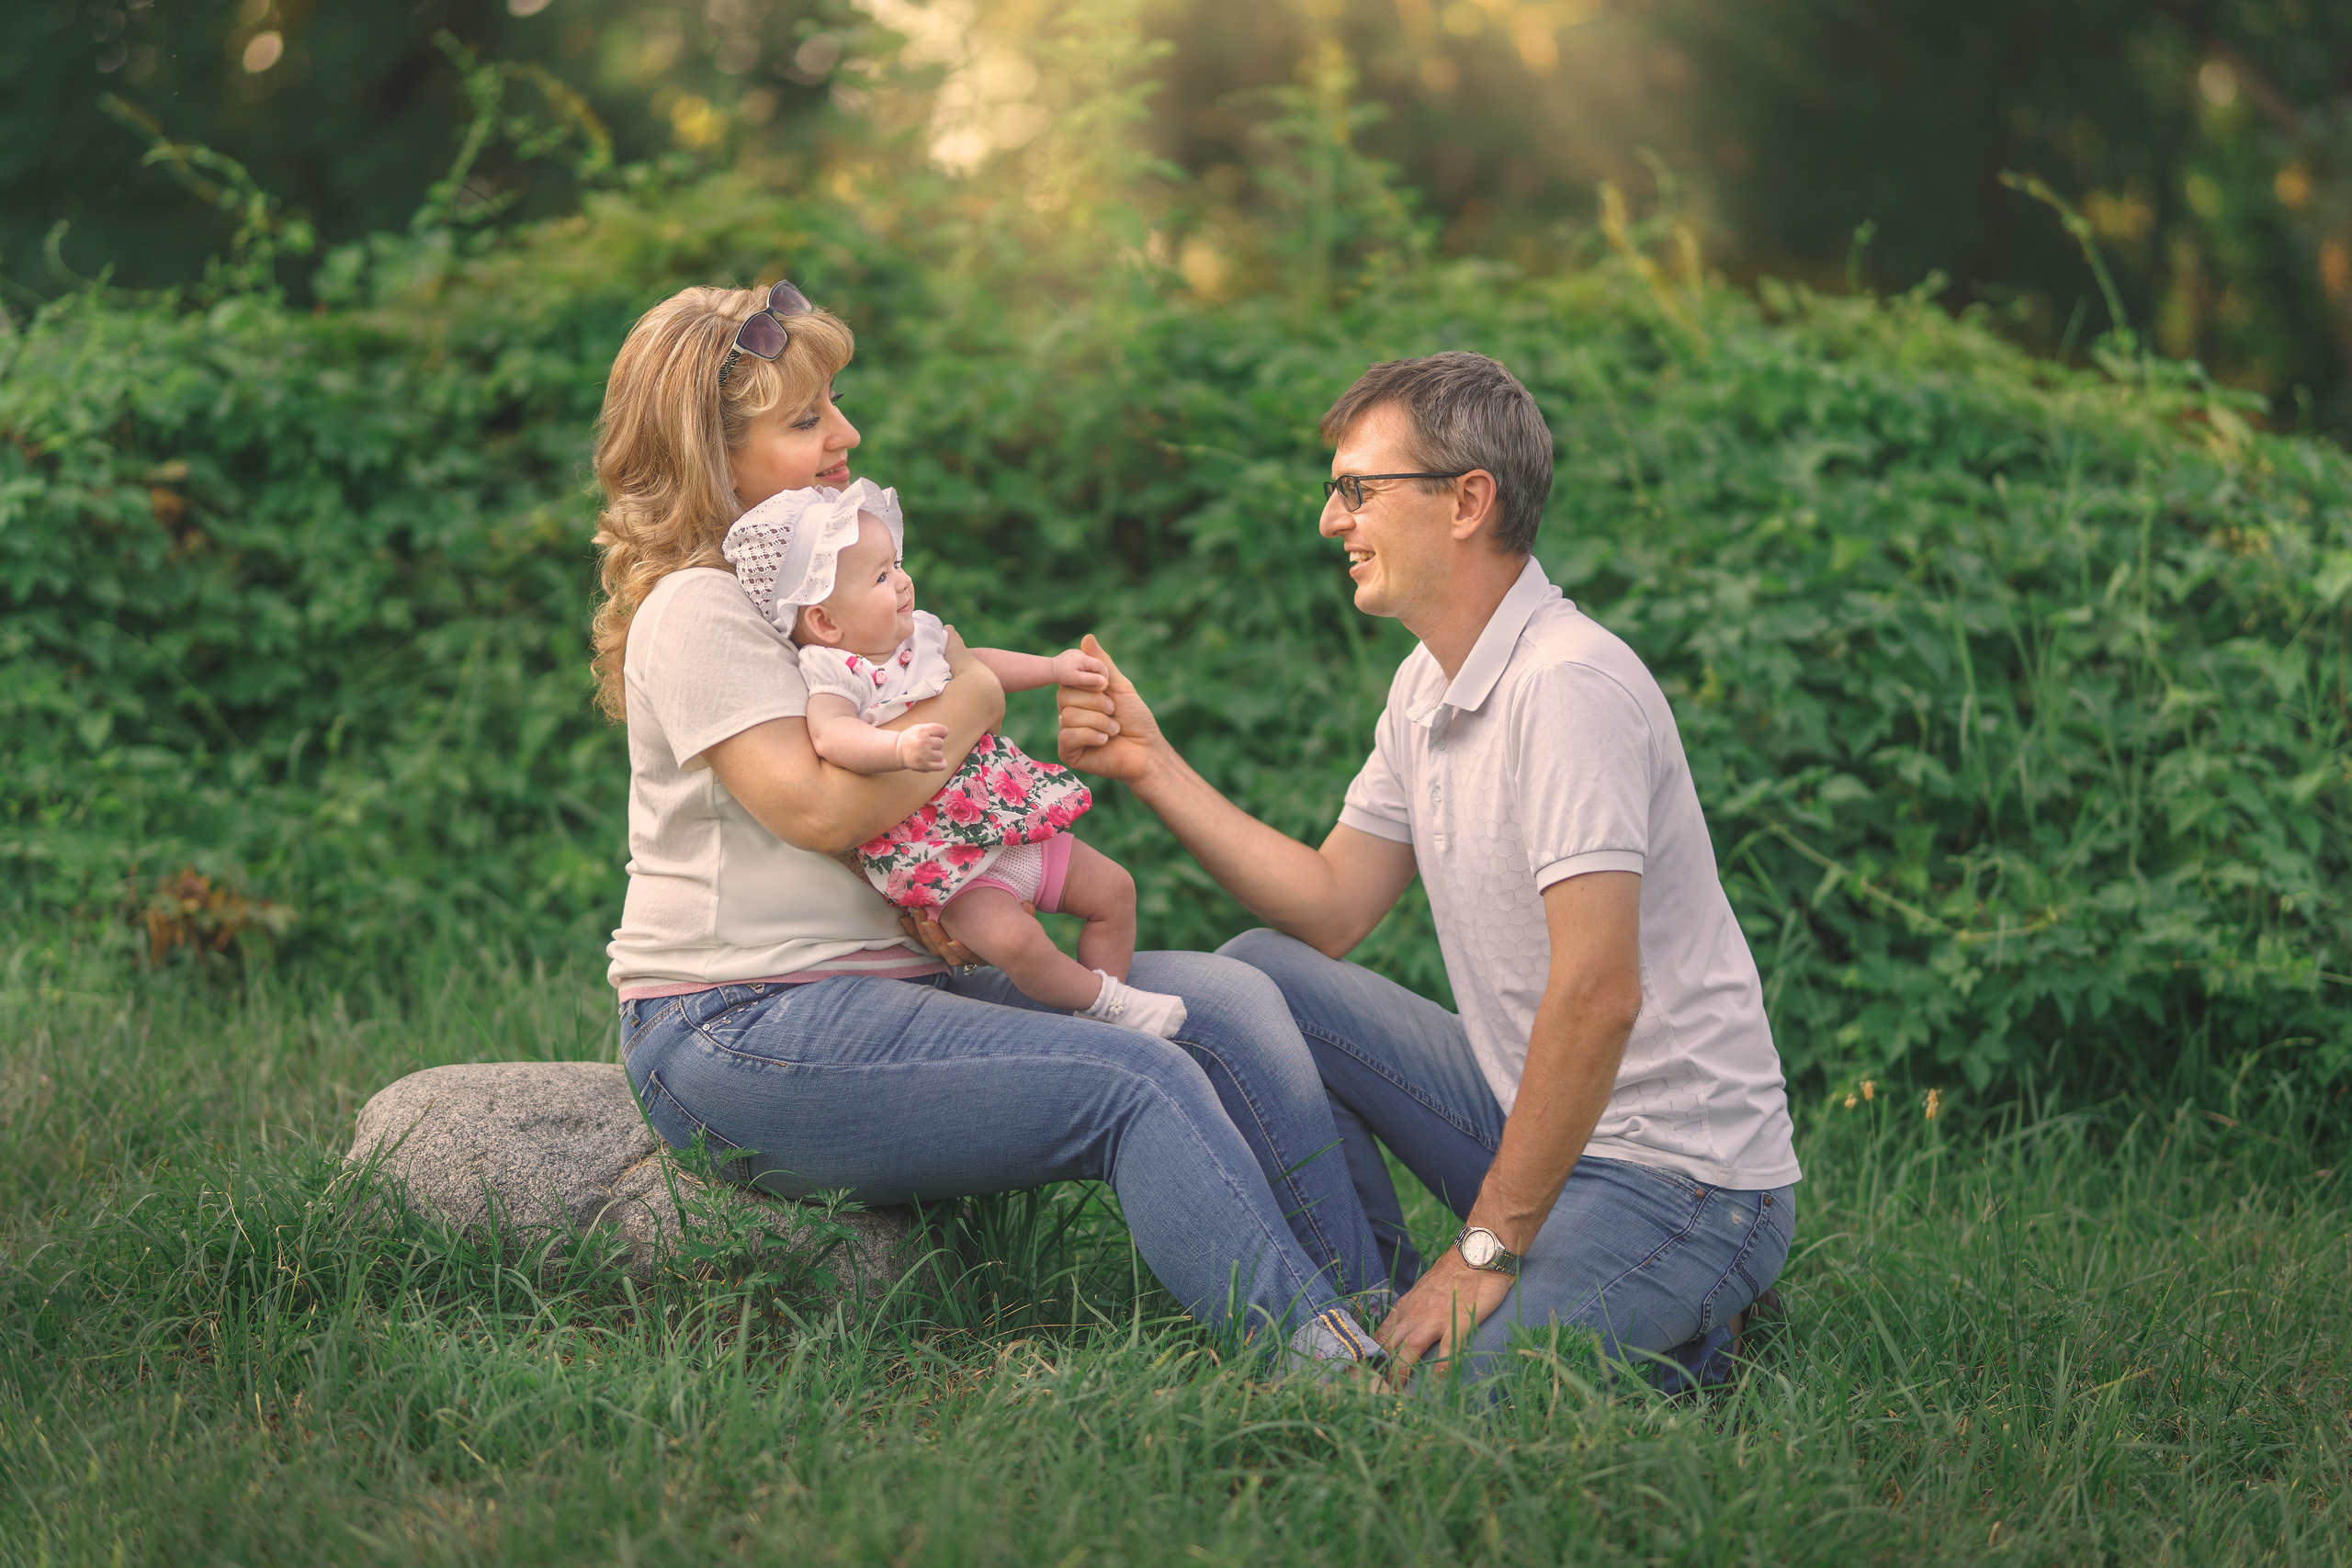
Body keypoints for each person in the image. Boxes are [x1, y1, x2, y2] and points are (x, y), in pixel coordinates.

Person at [591, 276, 1388, 1371]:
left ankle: (1387, 1319)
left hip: (873, 989)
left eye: (836, 405)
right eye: (806, 418)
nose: (847, 433)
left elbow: (885, 822)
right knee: (1131, 1081)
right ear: (712, 459)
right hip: (740, 1026)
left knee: (1235, 1005)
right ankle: (1329, 1372)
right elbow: (821, 808)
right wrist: (971, 698)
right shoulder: (700, 605)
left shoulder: (817, 594)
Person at [1055, 351, 1801, 1389]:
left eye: (1357, 490)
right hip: (1531, 1116)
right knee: (1254, 975)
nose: (1331, 521)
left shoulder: (1569, 685)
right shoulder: (1425, 683)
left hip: (1682, 1178)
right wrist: (1150, 762)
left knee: (1441, 1412)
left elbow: (1598, 997)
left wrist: (1481, 1251)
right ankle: (1375, 1314)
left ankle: (1682, 1331)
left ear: (1467, 501)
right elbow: (1329, 910)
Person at [718, 478, 1186, 1036]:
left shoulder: (919, 634)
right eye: (881, 576)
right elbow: (832, 735)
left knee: (1115, 891)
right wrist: (896, 746)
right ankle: (1103, 1006)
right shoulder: (835, 672)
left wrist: (1051, 668)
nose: (903, 581)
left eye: (896, 564)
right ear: (825, 622)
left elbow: (979, 664)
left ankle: (1113, 1006)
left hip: (1006, 818)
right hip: (946, 862)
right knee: (1017, 943)